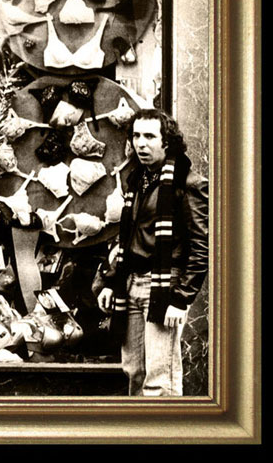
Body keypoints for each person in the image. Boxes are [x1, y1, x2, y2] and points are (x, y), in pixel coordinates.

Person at [96, 108, 208, 396]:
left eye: (149, 136)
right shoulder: (137, 181)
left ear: (166, 142)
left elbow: (201, 246)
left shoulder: (188, 183)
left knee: (160, 380)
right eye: (136, 136)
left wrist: (181, 299)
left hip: (163, 287)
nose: (141, 143)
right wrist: (111, 281)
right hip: (130, 284)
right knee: (134, 373)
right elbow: (128, 238)